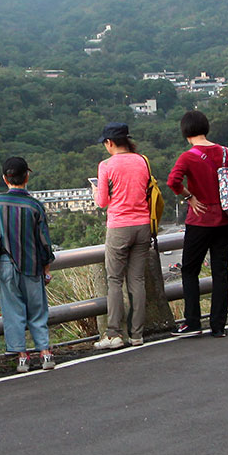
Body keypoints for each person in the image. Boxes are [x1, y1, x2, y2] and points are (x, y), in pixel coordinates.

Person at [0, 156, 56, 371]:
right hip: (32, 264)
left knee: (12, 310)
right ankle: (45, 353)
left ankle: (22, 357)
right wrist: (46, 266)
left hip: (5, 265)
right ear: (26, 176)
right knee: (37, 309)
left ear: (5, 179)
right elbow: (44, 241)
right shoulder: (35, 206)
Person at [168, 111, 228, 337]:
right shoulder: (226, 152)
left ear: (186, 132)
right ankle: (219, 326)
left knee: (189, 270)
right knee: (220, 272)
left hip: (200, 219)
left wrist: (189, 197)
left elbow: (173, 181)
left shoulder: (188, 157)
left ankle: (193, 321)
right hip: (225, 219)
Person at [94, 123, 152, 349]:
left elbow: (102, 202)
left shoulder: (106, 165)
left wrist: (95, 192)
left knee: (115, 280)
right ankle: (137, 334)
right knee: (137, 280)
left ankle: (114, 333)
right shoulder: (142, 161)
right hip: (143, 225)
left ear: (109, 143)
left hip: (119, 226)